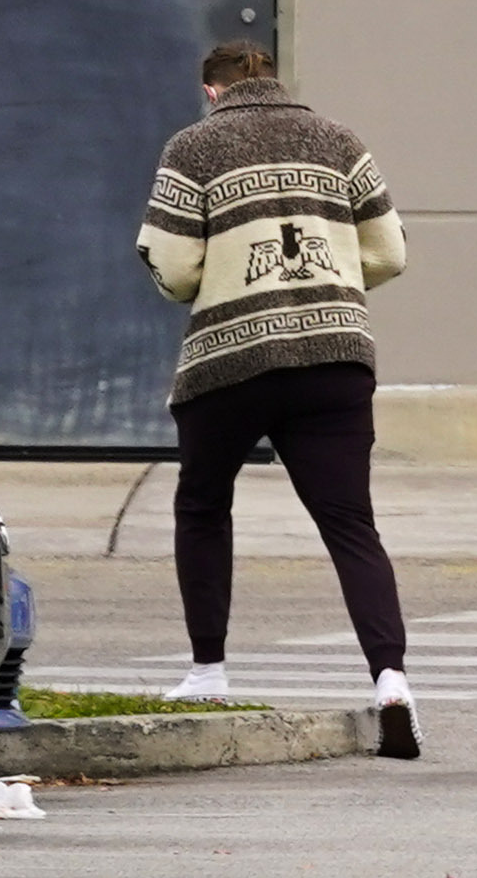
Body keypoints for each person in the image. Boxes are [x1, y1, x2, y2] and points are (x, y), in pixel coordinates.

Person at [136, 40, 418, 756]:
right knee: (351, 523)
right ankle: (390, 680)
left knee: (203, 505)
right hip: (335, 360)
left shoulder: (193, 147)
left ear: (211, 91)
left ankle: (208, 671)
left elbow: (172, 268)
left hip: (232, 362)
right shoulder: (338, 140)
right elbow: (388, 253)